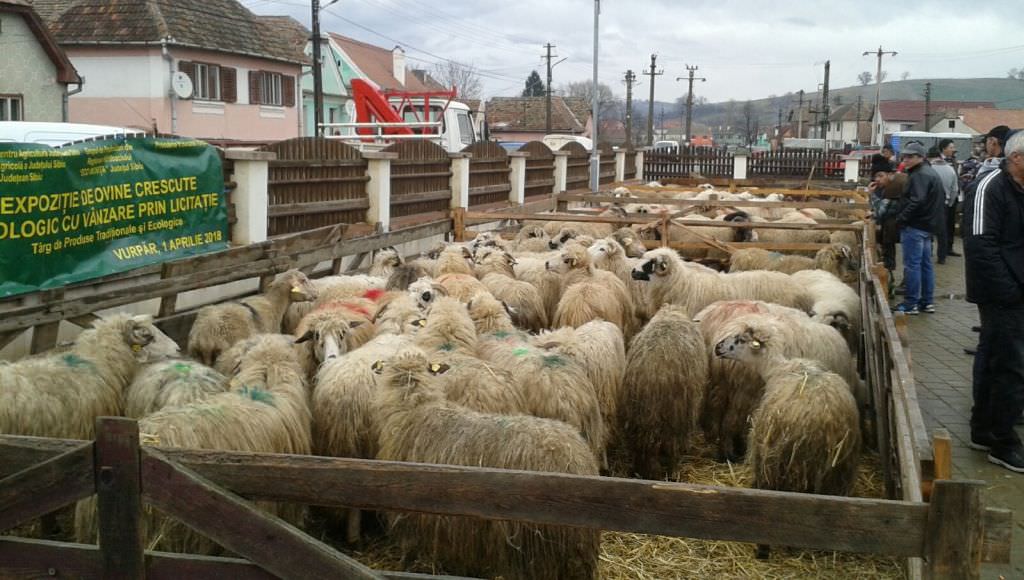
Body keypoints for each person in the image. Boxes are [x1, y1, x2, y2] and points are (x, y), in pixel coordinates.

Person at [961, 129, 1024, 473]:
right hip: (1001, 294)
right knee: (1011, 365)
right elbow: (980, 245)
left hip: (1014, 289)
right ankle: (1004, 441)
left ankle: (983, 429)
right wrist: (1008, 290)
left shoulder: (1019, 189)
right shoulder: (990, 188)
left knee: (995, 357)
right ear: (1016, 158)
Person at [892, 142, 944, 314]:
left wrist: (901, 218)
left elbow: (917, 200)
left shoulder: (919, 174)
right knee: (925, 265)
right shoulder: (930, 172)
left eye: (911, 156)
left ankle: (911, 303)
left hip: (915, 226)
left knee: (912, 265)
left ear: (921, 157)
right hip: (927, 226)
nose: (906, 159)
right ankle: (926, 302)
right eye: (905, 156)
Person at [867, 154, 906, 291]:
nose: (877, 180)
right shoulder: (889, 186)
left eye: (880, 176)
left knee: (897, 257)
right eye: (875, 176)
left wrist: (871, 195)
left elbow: (880, 212)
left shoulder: (893, 188)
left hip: (900, 226)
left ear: (889, 174)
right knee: (891, 254)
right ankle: (892, 282)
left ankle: (890, 285)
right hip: (895, 226)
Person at [928, 146, 960, 264]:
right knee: (943, 231)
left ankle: (928, 252)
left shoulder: (929, 169)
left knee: (928, 229)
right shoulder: (950, 170)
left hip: (930, 204)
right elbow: (954, 189)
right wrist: (950, 202)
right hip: (944, 204)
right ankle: (942, 256)